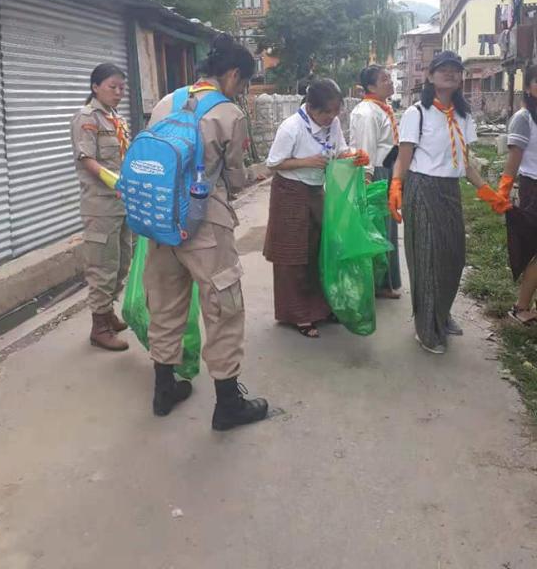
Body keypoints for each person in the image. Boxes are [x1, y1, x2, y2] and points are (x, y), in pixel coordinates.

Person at [143, 34, 268, 431]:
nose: (243, 89)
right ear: (232, 75)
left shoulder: (167, 102)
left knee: (164, 305)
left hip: (160, 219)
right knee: (223, 308)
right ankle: (228, 404)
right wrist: (256, 172)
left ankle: (165, 389)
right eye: (244, 82)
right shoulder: (228, 113)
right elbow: (234, 178)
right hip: (205, 225)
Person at [389, 51, 508, 355]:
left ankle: (441, 313)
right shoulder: (417, 112)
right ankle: (427, 329)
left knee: (453, 257)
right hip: (422, 187)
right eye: (443, 69)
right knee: (428, 258)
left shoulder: (464, 116)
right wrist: (396, 185)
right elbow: (404, 155)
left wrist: (488, 192)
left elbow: (465, 164)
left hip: (450, 189)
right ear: (430, 76)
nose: (451, 73)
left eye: (456, 70)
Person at [263, 78, 369, 338]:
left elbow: (340, 150)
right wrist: (306, 161)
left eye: (335, 111)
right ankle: (297, 314)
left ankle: (319, 309)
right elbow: (273, 163)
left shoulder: (332, 124)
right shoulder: (291, 128)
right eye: (325, 112)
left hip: (315, 190)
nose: (331, 117)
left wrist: (354, 156)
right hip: (289, 193)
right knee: (293, 256)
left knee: (318, 249)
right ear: (310, 107)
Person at [70, 63, 132, 352]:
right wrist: (114, 180)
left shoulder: (115, 117)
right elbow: (86, 159)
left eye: (122, 88)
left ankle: (109, 312)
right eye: (113, 86)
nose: (119, 92)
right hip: (101, 205)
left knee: (121, 262)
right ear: (95, 86)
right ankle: (99, 327)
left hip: (121, 203)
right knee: (102, 266)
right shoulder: (87, 117)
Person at [349, 64, 402, 298]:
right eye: (384, 79)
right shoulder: (366, 112)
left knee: (387, 229)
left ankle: (385, 281)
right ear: (370, 86)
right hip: (376, 174)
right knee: (378, 229)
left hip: (388, 172)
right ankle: (377, 283)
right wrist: (367, 179)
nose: (390, 82)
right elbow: (365, 147)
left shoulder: (382, 108)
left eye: (389, 78)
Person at [498, 65, 537, 324]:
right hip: (533, 187)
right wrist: (503, 191)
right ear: (528, 87)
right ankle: (521, 306)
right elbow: (514, 159)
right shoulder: (524, 118)